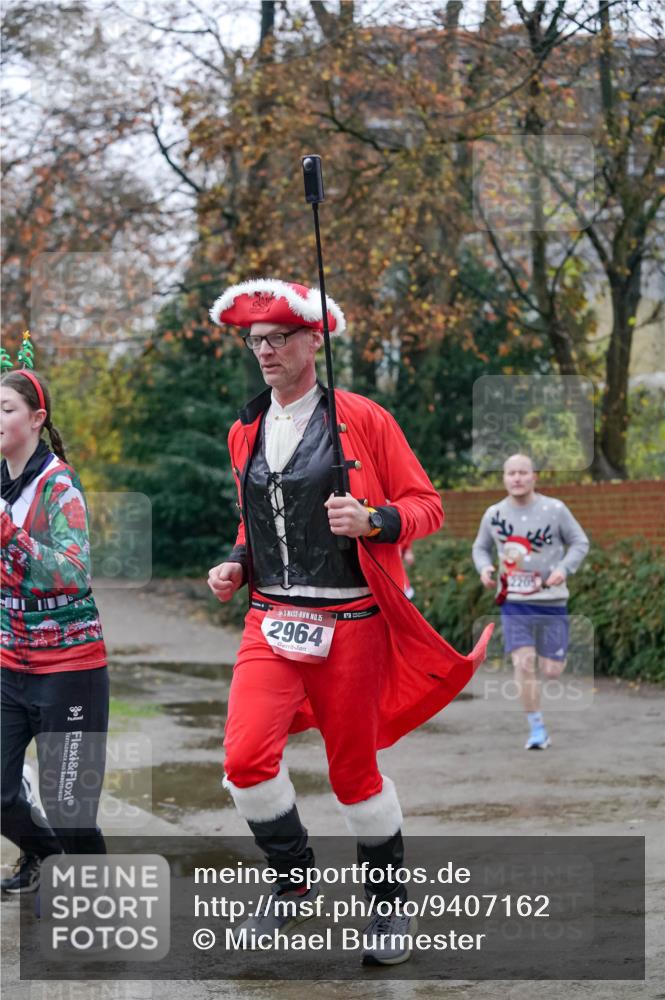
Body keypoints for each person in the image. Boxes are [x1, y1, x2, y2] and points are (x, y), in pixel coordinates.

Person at [207, 279, 491, 966]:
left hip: (353, 623)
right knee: (244, 764)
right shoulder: (243, 428)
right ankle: (290, 878)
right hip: (271, 622)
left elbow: (425, 504)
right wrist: (239, 563)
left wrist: (375, 520)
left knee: (353, 777)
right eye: (256, 342)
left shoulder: (363, 418)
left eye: (278, 339)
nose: (265, 351)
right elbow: (257, 523)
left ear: (313, 341)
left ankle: (390, 906)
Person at [1, 334, 109, 896]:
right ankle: (43, 856)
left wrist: (7, 533)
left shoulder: (58, 486)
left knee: (70, 805)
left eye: (5, 407)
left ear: (37, 418)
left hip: (70, 668)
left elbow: (71, 572)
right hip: (8, 666)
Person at [471, 453, 589, 750]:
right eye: (511, 473)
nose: (517, 478)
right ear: (504, 478)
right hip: (514, 603)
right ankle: (537, 728)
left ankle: (554, 656)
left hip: (552, 602)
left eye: (523, 472)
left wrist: (563, 569)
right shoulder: (494, 515)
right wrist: (484, 568)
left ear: (534, 476)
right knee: (523, 663)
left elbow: (579, 542)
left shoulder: (555, 509)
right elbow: (480, 548)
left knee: (551, 670)